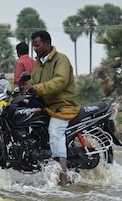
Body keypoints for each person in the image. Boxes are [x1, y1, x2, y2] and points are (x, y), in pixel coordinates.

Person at [26, 30, 80, 186]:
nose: (35, 48)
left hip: (62, 105)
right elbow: (33, 81)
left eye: (37, 45)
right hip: (45, 105)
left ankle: (63, 174)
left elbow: (60, 81)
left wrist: (37, 89)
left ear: (47, 43)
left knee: (55, 132)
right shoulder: (39, 63)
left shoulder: (61, 60)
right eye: (33, 45)